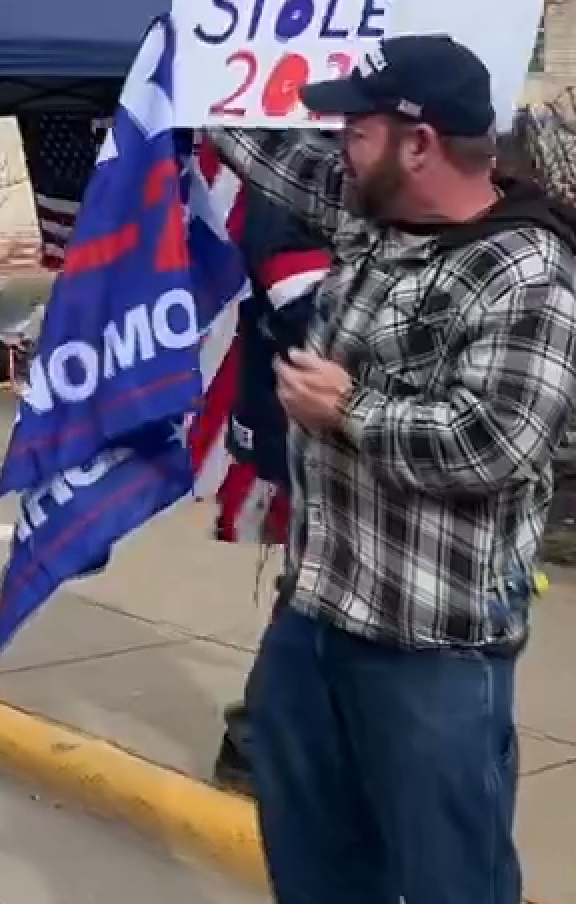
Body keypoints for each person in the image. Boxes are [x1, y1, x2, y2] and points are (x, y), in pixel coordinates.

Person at [209, 35, 576, 904]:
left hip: (431, 647)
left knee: (452, 880)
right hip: (318, 619)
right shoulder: (373, 214)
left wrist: (349, 410)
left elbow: (497, 442)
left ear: (419, 144)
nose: (340, 145)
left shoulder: (526, 271)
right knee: (316, 863)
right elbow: (278, 158)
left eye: (357, 130)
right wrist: (195, 66)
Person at [210, 191, 329, 796]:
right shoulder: (295, 188)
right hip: (310, 422)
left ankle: (267, 735)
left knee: (318, 587)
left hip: (321, 421)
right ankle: (257, 737)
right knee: (316, 589)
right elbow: (310, 313)